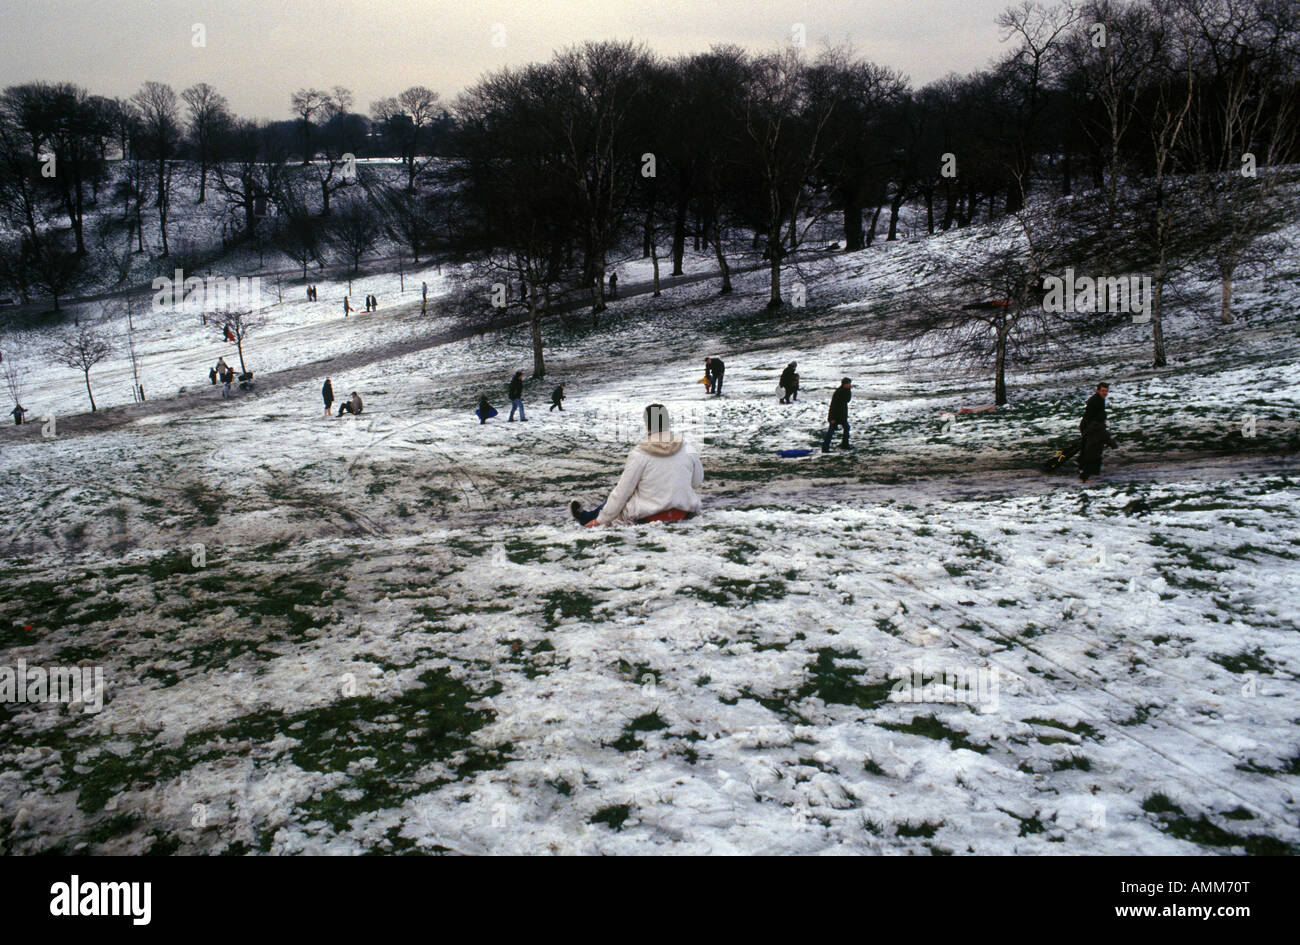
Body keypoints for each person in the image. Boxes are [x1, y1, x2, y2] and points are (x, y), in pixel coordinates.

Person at [569, 404, 703, 526]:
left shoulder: (640, 453)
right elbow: (696, 481)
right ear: (667, 422)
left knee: (621, 496)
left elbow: (622, 493)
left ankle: (586, 518)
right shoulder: (688, 447)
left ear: (647, 425)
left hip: (648, 515)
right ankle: (588, 515)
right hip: (684, 511)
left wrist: (600, 521)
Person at [1078, 383, 1116, 482]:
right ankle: (1084, 476)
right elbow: (1092, 418)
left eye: (1106, 391)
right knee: (1091, 451)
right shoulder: (1095, 401)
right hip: (1091, 428)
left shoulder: (1099, 399)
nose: (1105, 393)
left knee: (1097, 449)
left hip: (1094, 427)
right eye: (1103, 391)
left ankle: (1095, 471)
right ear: (1098, 391)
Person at [822, 378, 852, 452]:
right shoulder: (839, 392)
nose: (850, 385)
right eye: (848, 384)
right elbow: (833, 406)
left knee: (847, 428)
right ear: (844, 384)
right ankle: (825, 448)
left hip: (842, 415)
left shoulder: (845, 391)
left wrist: (848, 390)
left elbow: (847, 400)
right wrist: (831, 418)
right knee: (831, 432)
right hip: (835, 416)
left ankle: (845, 444)